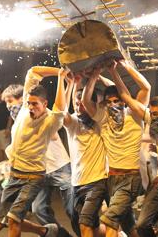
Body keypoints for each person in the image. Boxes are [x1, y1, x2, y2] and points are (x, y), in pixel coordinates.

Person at [0, 66, 68, 237]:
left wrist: (62, 78)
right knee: (9, 218)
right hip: (15, 175)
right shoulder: (23, 110)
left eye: (35, 104)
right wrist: (59, 71)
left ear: (45, 104)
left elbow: (60, 107)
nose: (30, 107)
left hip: (33, 177)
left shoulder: (50, 121)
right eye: (29, 102)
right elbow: (33, 72)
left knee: (15, 219)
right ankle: (45, 231)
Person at [82, 60, 150, 237]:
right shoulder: (103, 118)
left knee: (109, 220)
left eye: (117, 100)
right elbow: (85, 100)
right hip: (111, 178)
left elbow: (146, 89)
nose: (113, 104)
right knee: (128, 224)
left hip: (131, 178)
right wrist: (95, 75)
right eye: (109, 101)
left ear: (124, 101)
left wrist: (117, 69)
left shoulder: (134, 114)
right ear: (104, 103)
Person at [64, 77, 108, 237]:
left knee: (85, 222)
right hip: (76, 183)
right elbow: (62, 111)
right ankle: (119, 234)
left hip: (97, 181)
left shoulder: (101, 121)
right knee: (81, 225)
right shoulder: (73, 122)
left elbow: (111, 92)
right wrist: (72, 83)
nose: (78, 107)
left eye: (82, 103)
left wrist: (96, 76)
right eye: (76, 104)